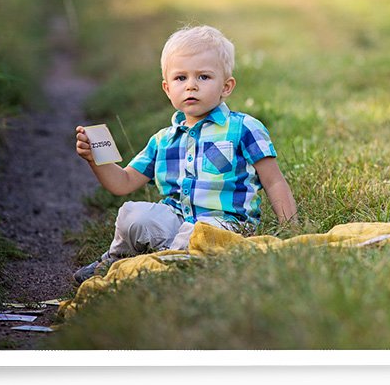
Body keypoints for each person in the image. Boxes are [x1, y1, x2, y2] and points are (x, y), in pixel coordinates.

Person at [73, 25, 297, 283]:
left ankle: (163, 267)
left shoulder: (244, 128)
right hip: (175, 221)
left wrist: (290, 230)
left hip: (224, 225)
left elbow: (273, 181)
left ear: (226, 87)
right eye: (181, 78)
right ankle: (116, 259)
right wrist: (95, 160)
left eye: (203, 77)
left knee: (195, 236)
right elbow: (122, 183)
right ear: (167, 88)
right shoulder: (163, 140)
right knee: (133, 215)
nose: (191, 86)